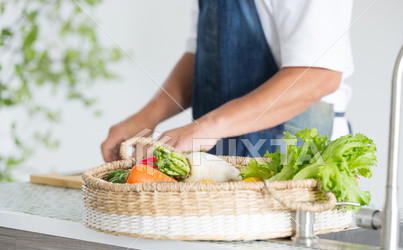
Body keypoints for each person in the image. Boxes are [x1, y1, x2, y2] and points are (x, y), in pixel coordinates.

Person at [102, 0, 353, 161]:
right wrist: (146, 118)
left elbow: (318, 76)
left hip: (295, 154)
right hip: (220, 149)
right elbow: (202, 54)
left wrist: (208, 127)